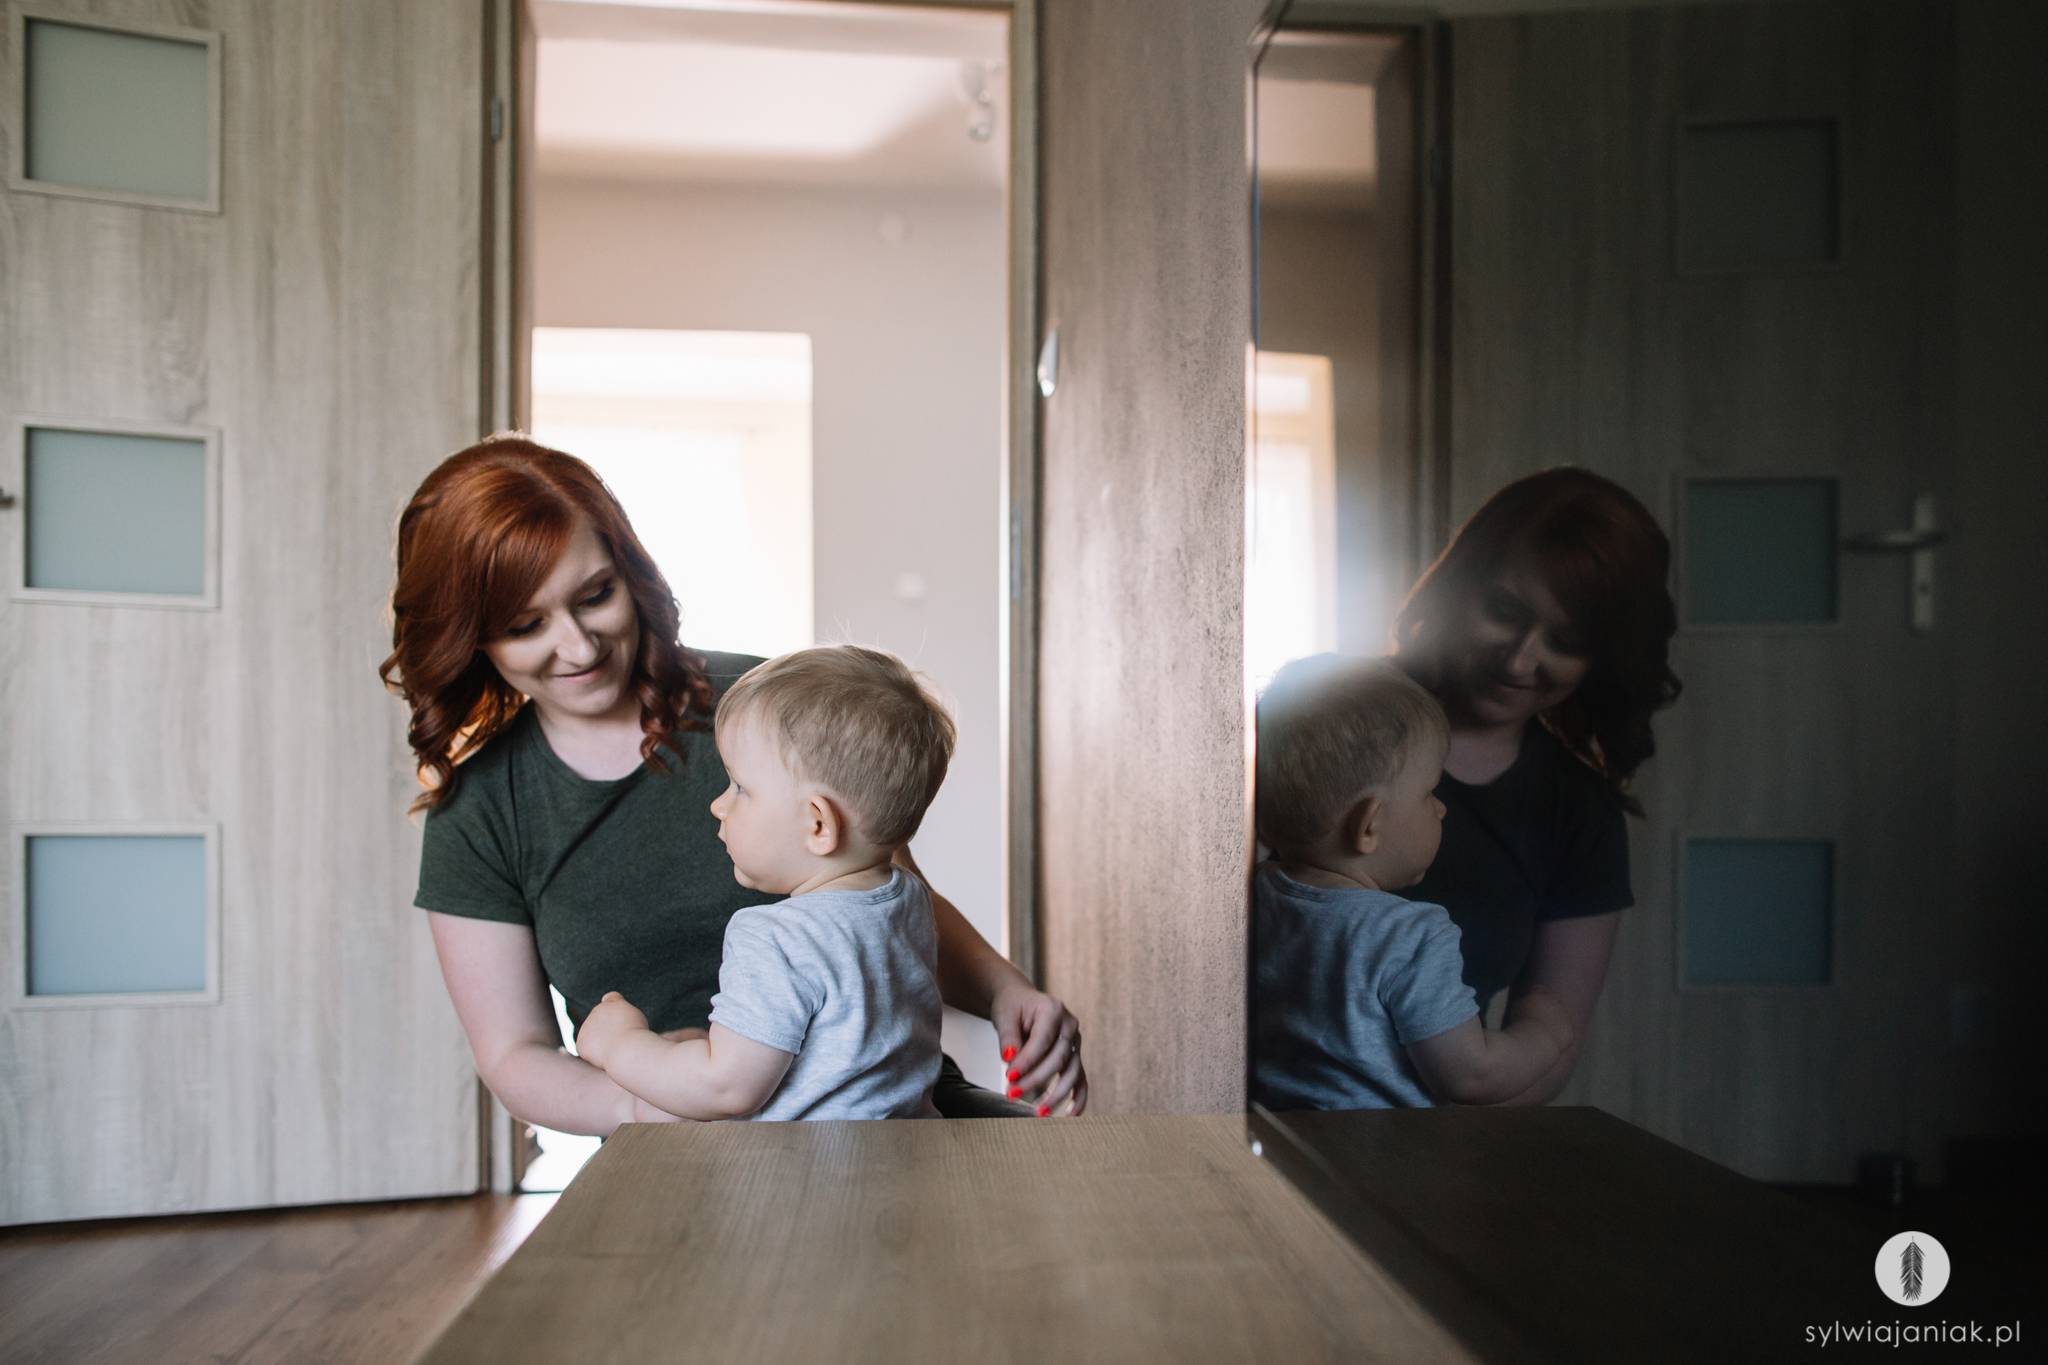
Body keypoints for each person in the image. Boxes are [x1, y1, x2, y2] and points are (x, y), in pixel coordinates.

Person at [382, 436, 1086, 1136]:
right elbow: (514, 1053)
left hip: (894, 1113)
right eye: (526, 625)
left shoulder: (764, 707)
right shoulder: (479, 812)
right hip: (673, 1141)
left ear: (629, 571)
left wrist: (1005, 991)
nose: (579, 646)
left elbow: (889, 899)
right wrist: (645, 1105)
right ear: (471, 637)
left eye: (595, 596)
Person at [1392, 467, 1680, 1105]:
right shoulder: (1325, 715)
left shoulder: (1580, 815)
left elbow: (1550, 1055)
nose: (1520, 661)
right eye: (1503, 611)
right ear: (1461, 584)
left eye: (1567, 641)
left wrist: (1419, 1141)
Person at [579, 646, 951, 1121]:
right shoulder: (906, 897)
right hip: (909, 1147)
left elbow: (723, 1088)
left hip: (808, 1166)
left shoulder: (777, 939)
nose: (719, 805)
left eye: (740, 788)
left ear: (818, 824)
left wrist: (621, 1044)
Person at [1252, 655, 1575, 1110]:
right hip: (1382, 1153)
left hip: (1271, 1137)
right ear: (1369, 826)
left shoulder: (1255, 899)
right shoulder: (1409, 936)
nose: (1441, 809)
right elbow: (1471, 1075)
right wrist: (1543, 1035)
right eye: (1429, 793)